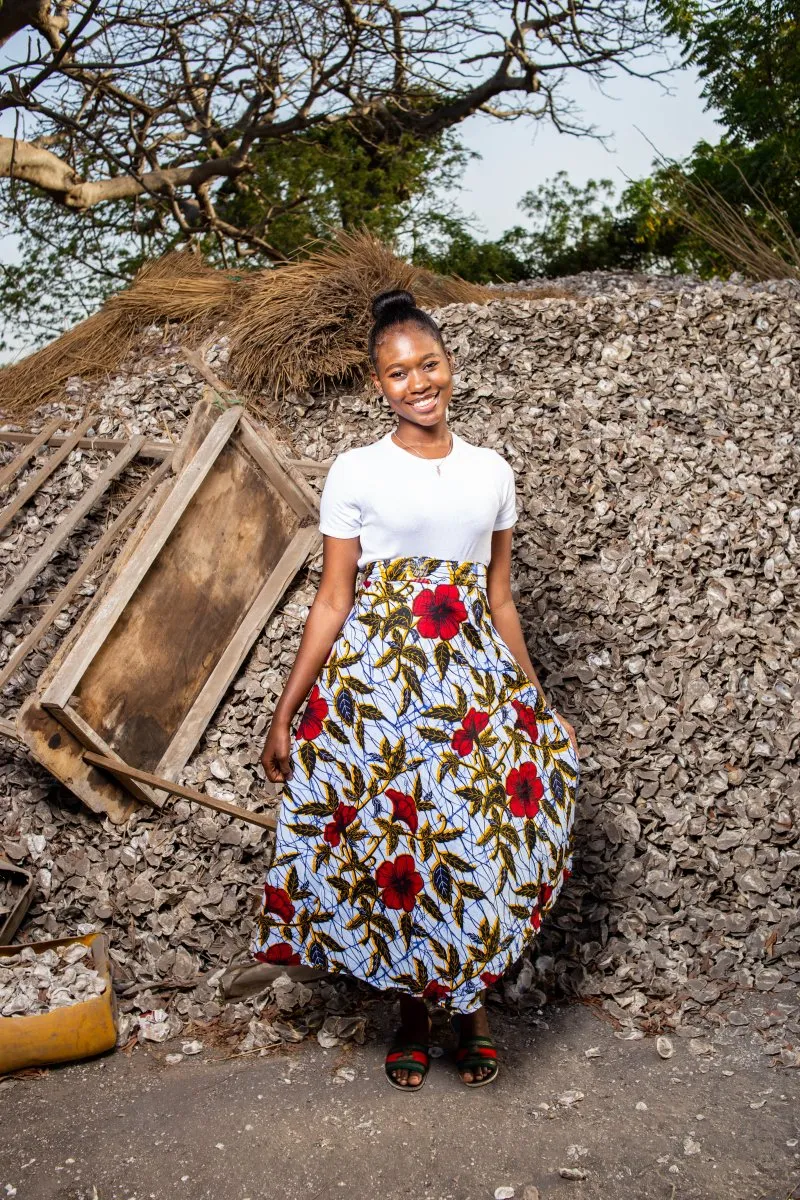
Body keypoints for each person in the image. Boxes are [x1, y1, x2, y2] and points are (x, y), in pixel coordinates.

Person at [253, 289, 579, 1091]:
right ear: (378, 385)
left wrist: (536, 702)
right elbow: (334, 598)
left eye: (428, 364)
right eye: (398, 374)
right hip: (379, 691)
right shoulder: (357, 470)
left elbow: (499, 600)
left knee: (472, 839)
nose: (417, 383)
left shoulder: (491, 473)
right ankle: (409, 1014)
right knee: (395, 848)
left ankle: (472, 1012)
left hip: (471, 691)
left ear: (450, 365)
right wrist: (286, 708)